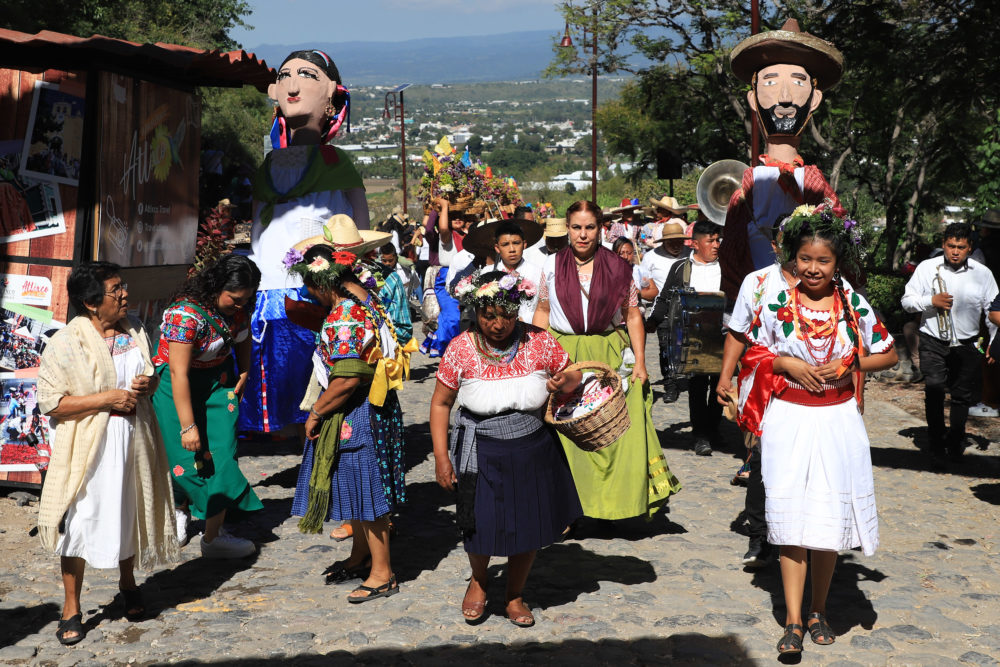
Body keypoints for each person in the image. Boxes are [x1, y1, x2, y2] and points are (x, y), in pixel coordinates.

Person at [739, 205, 896, 655]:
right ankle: (791, 620)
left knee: (827, 518)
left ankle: (818, 611)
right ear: (794, 258)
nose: (812, 268)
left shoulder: (852, 305)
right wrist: (784, 361)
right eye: (805, 259)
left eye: (822, 261)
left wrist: (852, 366)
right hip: (788, 419)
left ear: (837, 263)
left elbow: (888, 353)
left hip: (837, 421)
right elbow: (752, 351)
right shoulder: (775, 303)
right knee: (791, 520)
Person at [430, 270, 583, 627]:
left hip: (533, 445)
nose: (499, 324)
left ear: (518, 309)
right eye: (489, 316)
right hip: (480, 448)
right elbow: (441, 405)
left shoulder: (539, 341)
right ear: (476, 311)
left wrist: (565, 380)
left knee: (527, 525)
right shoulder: (460, 349)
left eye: (507, 315)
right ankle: (479, 580)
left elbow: (573, 373)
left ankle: (514, 593)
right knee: (479, 523)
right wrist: (441, 457)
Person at [37, 262, 178, 645]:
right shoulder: (66, 342)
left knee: (129, 511)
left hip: (133, 439)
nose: (125, 295)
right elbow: (51, 403)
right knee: (81, 522)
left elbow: (149, 375)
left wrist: (147, 384)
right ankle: (71, 607)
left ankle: (128, 583)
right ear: (91, 303)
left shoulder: (134, 331)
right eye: (116, 290)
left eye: (123, 286)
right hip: (91, 448)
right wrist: (106, 399)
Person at [243, 49, 368, 436]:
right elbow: (258, 232)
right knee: (279, 382)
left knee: (323, 376)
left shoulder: (337, 163)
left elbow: (358, 230)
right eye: (285, 75)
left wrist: (349, 273)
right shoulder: (269, 167)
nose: (292, 84)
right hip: (271, 290)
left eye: (306, 74)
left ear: (331, 92)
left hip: (320, 287)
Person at [532, 201, 681, 521]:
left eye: (589, 228)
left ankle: (617, 506)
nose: (582, 235)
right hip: (564, 355)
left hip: (609, 353)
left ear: (600, 229)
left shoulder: (618, 267)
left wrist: (640, 362)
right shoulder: (549, 266)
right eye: (576, 227)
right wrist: (536, 356)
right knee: (568, 432)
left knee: (615, 430)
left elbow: (632, 316)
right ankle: (570, 510)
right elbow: (542, 311)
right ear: (567, 229)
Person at [286, 240, 406, 603]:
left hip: (358, 410)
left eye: (309, 285)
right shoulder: (365, 298)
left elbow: (348, 377)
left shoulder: (344, 314)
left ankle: (382, 574)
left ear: (322, 282)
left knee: (367, 491)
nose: (308, 294)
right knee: (357, 487)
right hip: (374, 405)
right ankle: (360, 556)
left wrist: (317, 411)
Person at [720, 18, 844, 301]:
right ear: (754, 99)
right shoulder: (746, 190)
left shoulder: (815, 183)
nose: (785, 98)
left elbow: (844, 257)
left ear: (814, 99)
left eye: (798, 83)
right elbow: (731, 259)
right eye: (771, 82)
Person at [152, 255, 263, 558]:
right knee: (185, 459)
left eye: (246, 300)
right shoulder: (185, 315)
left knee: (223, 456)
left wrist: (244, 371)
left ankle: (213, 537)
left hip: (217, 384)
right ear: (216, 286)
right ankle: (178, 511)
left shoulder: (240, 307)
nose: (240, 306)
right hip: (177, 386)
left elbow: (243, 337)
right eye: (235, 299)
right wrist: (188, 426)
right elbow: (178, 372)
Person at [902, 222, 998, 469]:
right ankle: (936, 442)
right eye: (951, 246)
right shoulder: (927, 268)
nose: (955, 251)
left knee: (961, 396)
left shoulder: (983, 274)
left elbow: (993, 311)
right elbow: (907, 301)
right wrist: (930, 300)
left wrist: (994, 342)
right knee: (934, 388)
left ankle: (955, 442)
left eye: (961, 247)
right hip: (933, 339)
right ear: (944, 244)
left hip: (967, 343)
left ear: (969, 248)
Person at [646, 220, 724, 455]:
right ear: (696, 244)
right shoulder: (682, 268)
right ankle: (701, 435)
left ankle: (713, 428)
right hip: (693, 337)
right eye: (710, 240)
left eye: (717, 240)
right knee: (698, 387)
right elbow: (665, 297)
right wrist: (650, 323)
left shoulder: (727, 267)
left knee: (720, 386)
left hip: (721, 337)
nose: (716, 245)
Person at [461, 218, 544, 323]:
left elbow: (544, 308)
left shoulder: (538, 272)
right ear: (497, 248)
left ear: (524, 244)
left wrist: (526, 320)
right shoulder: (487, 272)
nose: (512, 249)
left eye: (516, 243)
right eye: (505, 244)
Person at [612, 237, 658, 303]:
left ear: (633, 253)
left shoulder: (640, 271)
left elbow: (654, 291)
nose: (625, 257)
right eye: (621, 253)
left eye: (629, 253)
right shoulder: (608, 271)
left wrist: (638, 293)